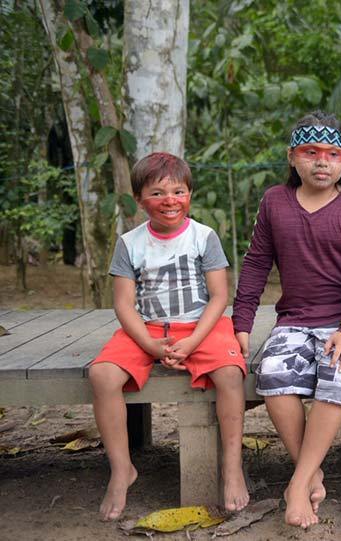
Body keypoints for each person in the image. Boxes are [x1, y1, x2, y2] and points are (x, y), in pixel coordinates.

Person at [231, 112, 341, 528]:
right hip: (294, 320)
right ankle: (307, 471)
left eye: (333, 154)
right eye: (310, 152)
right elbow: (255, 265)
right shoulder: (275, 202)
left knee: (336, 376)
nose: (322, 162)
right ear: (292, 157)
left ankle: (297, 485)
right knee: (274, 372)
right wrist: (241, 323)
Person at [89, 152, 249, 520]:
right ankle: (121, 468)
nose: (170, 200)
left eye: (179, 191)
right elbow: (124, 305)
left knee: (229, 373)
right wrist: (147, 344)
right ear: (140, 199)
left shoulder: (203, 237)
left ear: (190, 194)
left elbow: (220, 296)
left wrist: (192, 342)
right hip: (146, 329)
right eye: (158, 193)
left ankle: (232, 466)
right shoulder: (130, 243)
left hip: (200, 327)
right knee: (101, 374)